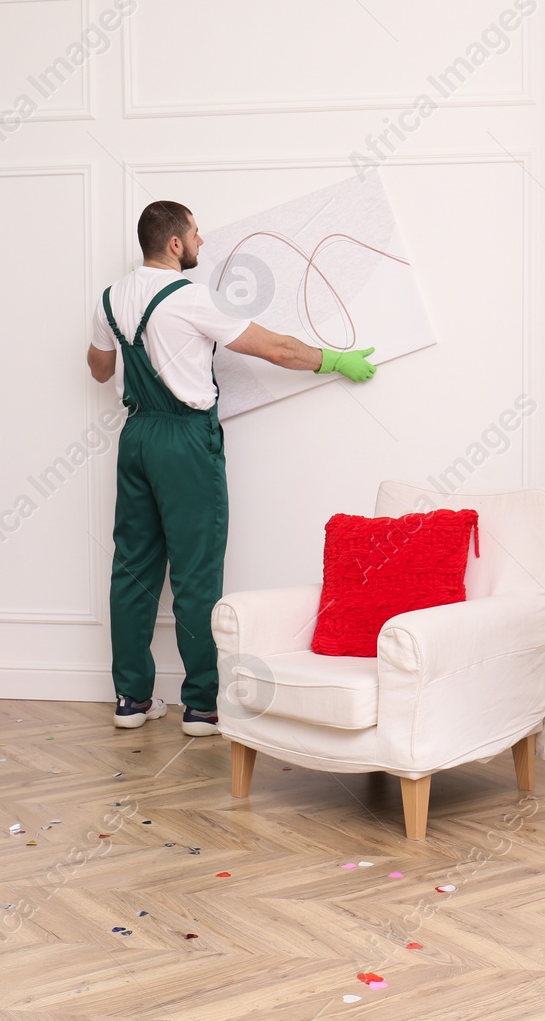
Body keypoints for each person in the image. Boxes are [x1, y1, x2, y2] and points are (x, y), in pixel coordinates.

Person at [89, 200, 377, 735]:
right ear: (174, 243)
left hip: (136, 437)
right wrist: (334, 360)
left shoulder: (110, 298)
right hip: (184, 441)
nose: (203, 242)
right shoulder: (191, 298)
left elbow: (99, 367)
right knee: (196, 573)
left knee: (132, 569)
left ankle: (131, 699)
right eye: (197, 233)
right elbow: (275, 348)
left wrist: (131, 345)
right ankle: (199, 706)